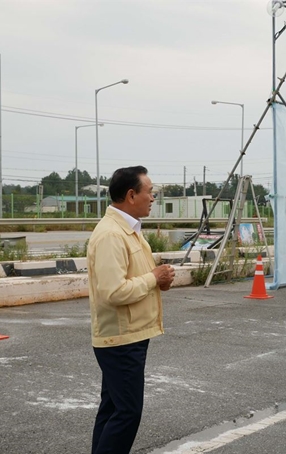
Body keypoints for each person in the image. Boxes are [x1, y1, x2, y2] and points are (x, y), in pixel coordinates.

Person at [87, 166, 175, 454]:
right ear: (131, 194)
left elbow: (133, 277)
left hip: (130, 333)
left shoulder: (129, 230)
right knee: (127, 413)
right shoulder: (112, 234)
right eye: (149, 192)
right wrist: (153, 278)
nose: (153, 198)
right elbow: (113, 291)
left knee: (113, 408)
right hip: (121, 338)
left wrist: (157, 281)